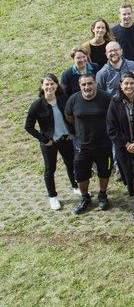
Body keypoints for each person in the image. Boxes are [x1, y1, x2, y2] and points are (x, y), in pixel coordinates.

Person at [25, 74, 77, 210]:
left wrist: (71, 132)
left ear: (56, 85)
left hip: (65, 139)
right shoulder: (37, 105)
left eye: (52, 83)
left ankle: (75, 186)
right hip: (49, 143)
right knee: (50, 169)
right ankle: (53, 196)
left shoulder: (63, 99)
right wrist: (44, 139)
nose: (50, 87)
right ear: (42, 87)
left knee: (71, 164)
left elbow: (72, 117)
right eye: (46, 84)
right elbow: (28, 127)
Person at [64, 73, 113, 214]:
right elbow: (69, 117)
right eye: (84, 84)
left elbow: (113, 116)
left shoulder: (106, 98)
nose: (87, 87)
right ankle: (85, 197)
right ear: (80, 86)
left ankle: (103, 195)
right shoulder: (73, 100)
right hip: (82, 145)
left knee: (104, 172)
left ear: (95, 83)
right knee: (81, 174)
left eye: (90, 83)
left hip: (103, 144)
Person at [106, 72, 134, 218]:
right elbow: (111, 127)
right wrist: (126, 144)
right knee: (130, 175)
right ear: (121, 86)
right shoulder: (115, 102)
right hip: (124, 148)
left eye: (132, 83)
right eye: (126, 83)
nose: (129, 86)